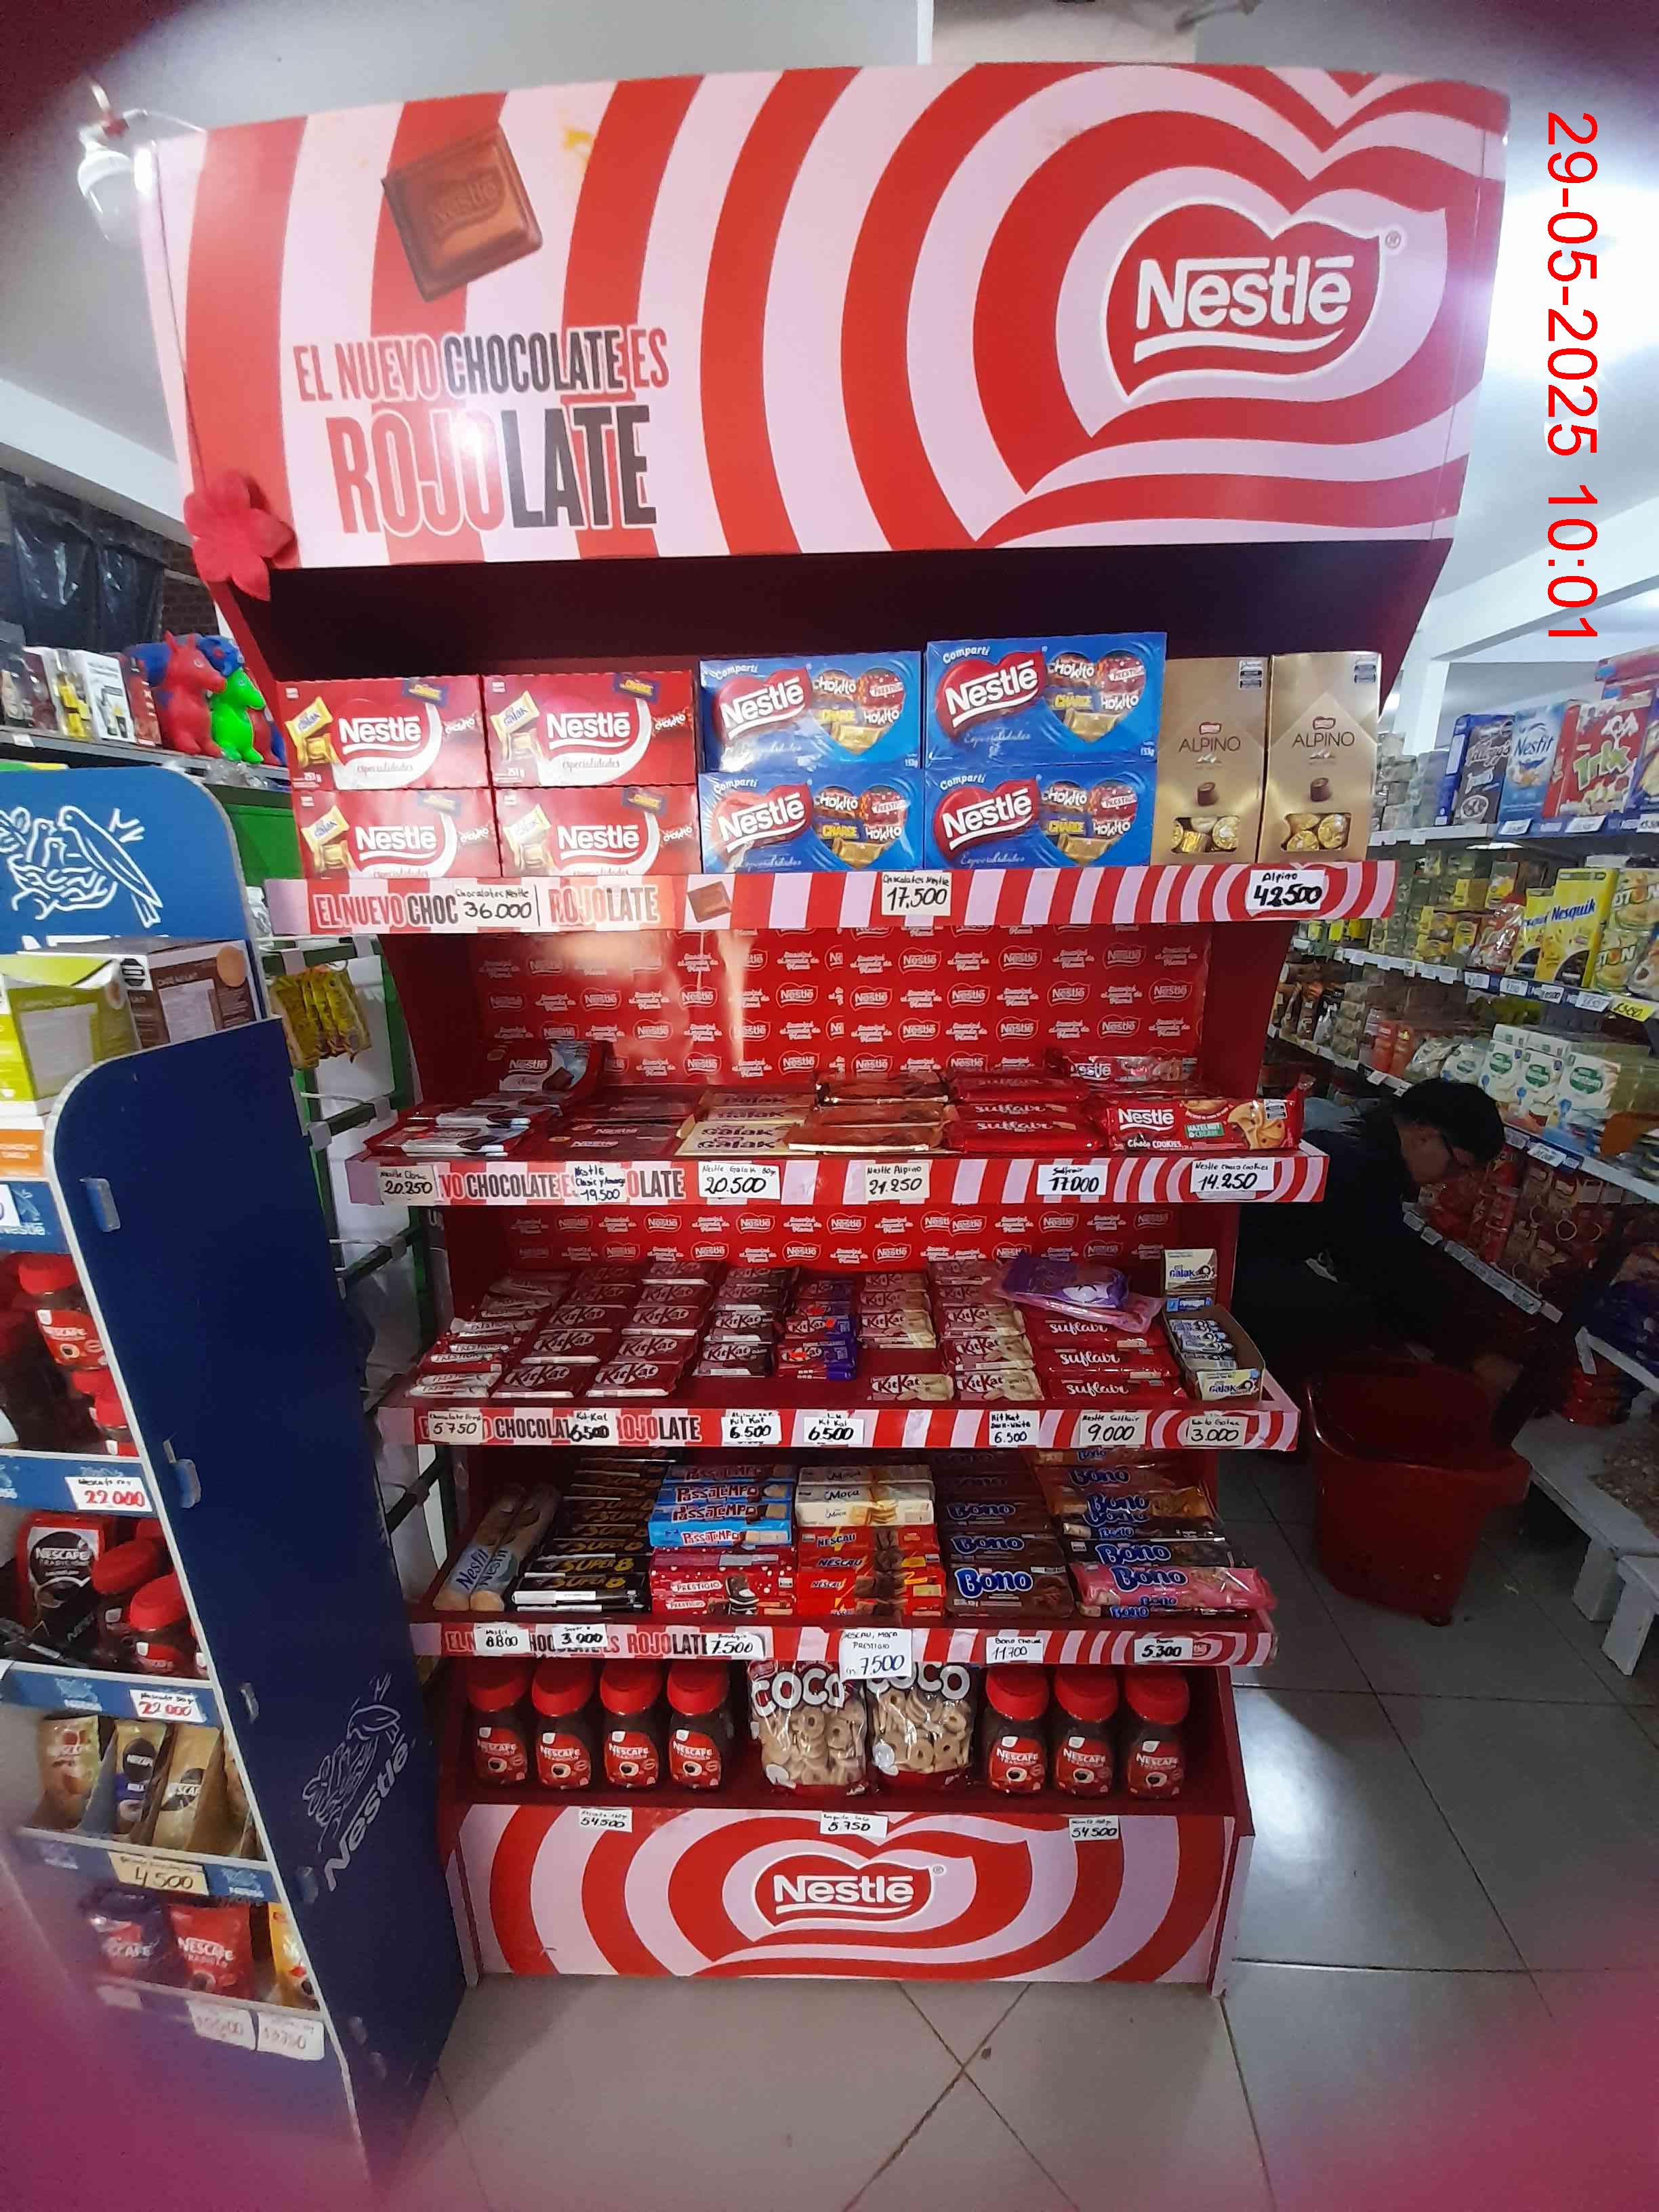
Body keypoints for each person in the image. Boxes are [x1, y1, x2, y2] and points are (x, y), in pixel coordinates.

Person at [1232, 1078, 1506, 1385]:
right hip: (1233, 1283)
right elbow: (1387, 1273)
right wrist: (1475, 1356)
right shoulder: (1363, 1169)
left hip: (1233, 1255)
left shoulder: (1353, 1136)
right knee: (1357, 1320)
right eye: (1456, 1166)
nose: (1451, 1180)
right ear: (1425, 1136)